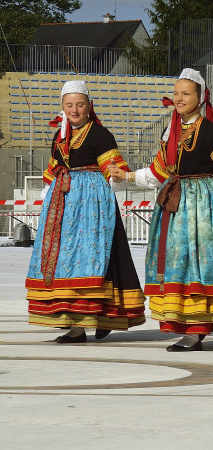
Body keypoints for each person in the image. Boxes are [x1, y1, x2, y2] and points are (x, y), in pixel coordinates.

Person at [111, 68, 213, 350]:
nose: (179, 98)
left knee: (198, 264)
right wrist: (126, 176)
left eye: (185, 93)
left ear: (200, 97)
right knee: (178, 263)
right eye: (176, 93)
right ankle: (186, 324)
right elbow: (159, 171)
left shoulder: (212, 132)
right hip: (174, 206)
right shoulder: (171, 133)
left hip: (201, 207)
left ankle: (197, 327)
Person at [25, 81, 145, 342]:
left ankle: (104, 315)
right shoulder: (60, 136)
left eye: (79, 104)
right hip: (64, 206)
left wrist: (116, 176)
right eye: (69, 105)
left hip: (93, 206)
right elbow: (54, 168)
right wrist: (48, 194)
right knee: (66, 261)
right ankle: (76, 324)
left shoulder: (101, 135)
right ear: (62, 106)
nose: (74, 110)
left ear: (89, 106)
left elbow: (113, 169)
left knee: (97, 257)